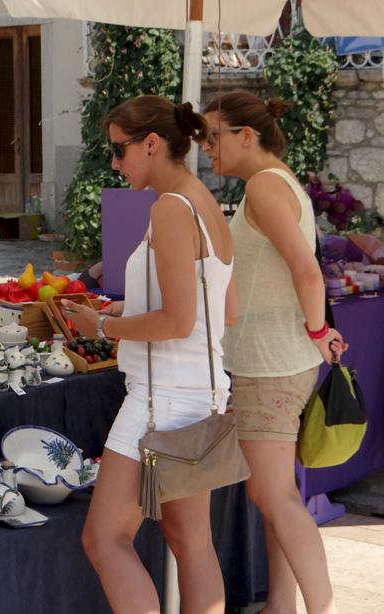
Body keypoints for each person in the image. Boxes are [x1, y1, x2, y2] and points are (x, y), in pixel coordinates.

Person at [63, 95, 236, 614]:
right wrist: (130, 306)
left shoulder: (170, 208)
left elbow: (179, 321)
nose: (116, 163)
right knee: (192, 543)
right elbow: (224, 308)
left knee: (105, 540)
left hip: (161, 400)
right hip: (202, 396)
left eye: (120, 150)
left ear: (153, 144)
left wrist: (104, 325)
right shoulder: (205, 202)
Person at [200, 90, 345, 614]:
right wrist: (317, 332)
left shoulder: (264, 185)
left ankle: (320, 608)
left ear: (246, 135)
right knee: (275, 493)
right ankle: (281, 604)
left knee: (272, 495)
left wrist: (317, 330)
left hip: (271, 363)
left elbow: (307, 270)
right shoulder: (275, 182)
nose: (205, 148)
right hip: (272, 358)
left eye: (212, 137)